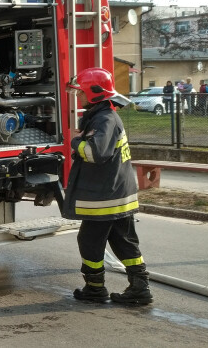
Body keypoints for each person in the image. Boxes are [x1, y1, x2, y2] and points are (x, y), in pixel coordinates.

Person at [66, 68, 152, 305]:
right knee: (124, 240)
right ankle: (140, 287)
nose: (78, 97)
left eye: (81, 93)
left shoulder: (104, 119)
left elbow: (95, 153)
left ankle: (95, 288)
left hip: (104, 197)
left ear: (94, 93)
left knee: (89, 241)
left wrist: (76, 141)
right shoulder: (106, 116)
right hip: (117, 193)